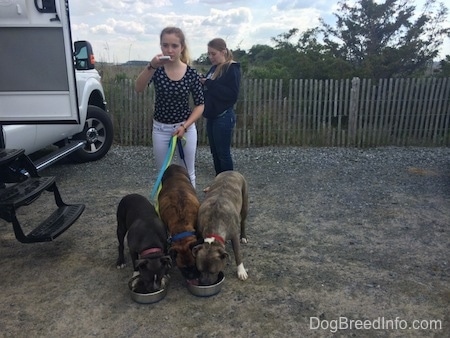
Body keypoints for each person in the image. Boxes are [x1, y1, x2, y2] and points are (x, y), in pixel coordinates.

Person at [135, 27, 204, 188]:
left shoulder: (191, 73)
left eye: (174, 46)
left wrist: (185, 126)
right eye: (165, 45)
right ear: (160, 47)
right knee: (162, 174)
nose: (170, 50)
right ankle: (164, 210)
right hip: (161, 129)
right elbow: (138, 88)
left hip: (185, 128)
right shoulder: (157, 70)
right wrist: (151, 66)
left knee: (188, 173)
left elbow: (200, 105)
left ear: (182, 47)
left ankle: (190, 210)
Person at [200, 38, 241, 178]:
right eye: (209, 54)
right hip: (212, 116)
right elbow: (211, 89)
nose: (210, 57)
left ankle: (228, 184)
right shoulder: (214, 68)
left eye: (213, 54)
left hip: (223, 116)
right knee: (215, 152)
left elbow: (231, 95)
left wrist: (209, 83)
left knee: (223, 153)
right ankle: (219, 182)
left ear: (223, 51)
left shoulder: (231, 68)